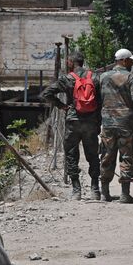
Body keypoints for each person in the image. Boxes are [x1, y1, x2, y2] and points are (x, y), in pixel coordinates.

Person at [40, 51, 101, 201]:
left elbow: (46, 94)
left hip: (73, 121)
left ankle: (76, 190)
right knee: (93, 155)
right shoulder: (93, 77)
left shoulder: (66, 78)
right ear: (83, 61)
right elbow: (100, 99)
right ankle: (95, 189)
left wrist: (62, 106)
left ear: (70, 63)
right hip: (91, 122)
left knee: (71, 154)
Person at [99, 48, 133, 203]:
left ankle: (104, 192)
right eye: (131, 60)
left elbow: (100, 99)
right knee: (127, 155)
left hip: (107, 122)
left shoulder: (103, 77)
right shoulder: (131, 77)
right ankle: (125, 194)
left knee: (107, 155)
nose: (132, 63)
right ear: (124, 60)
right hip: (126, 122)